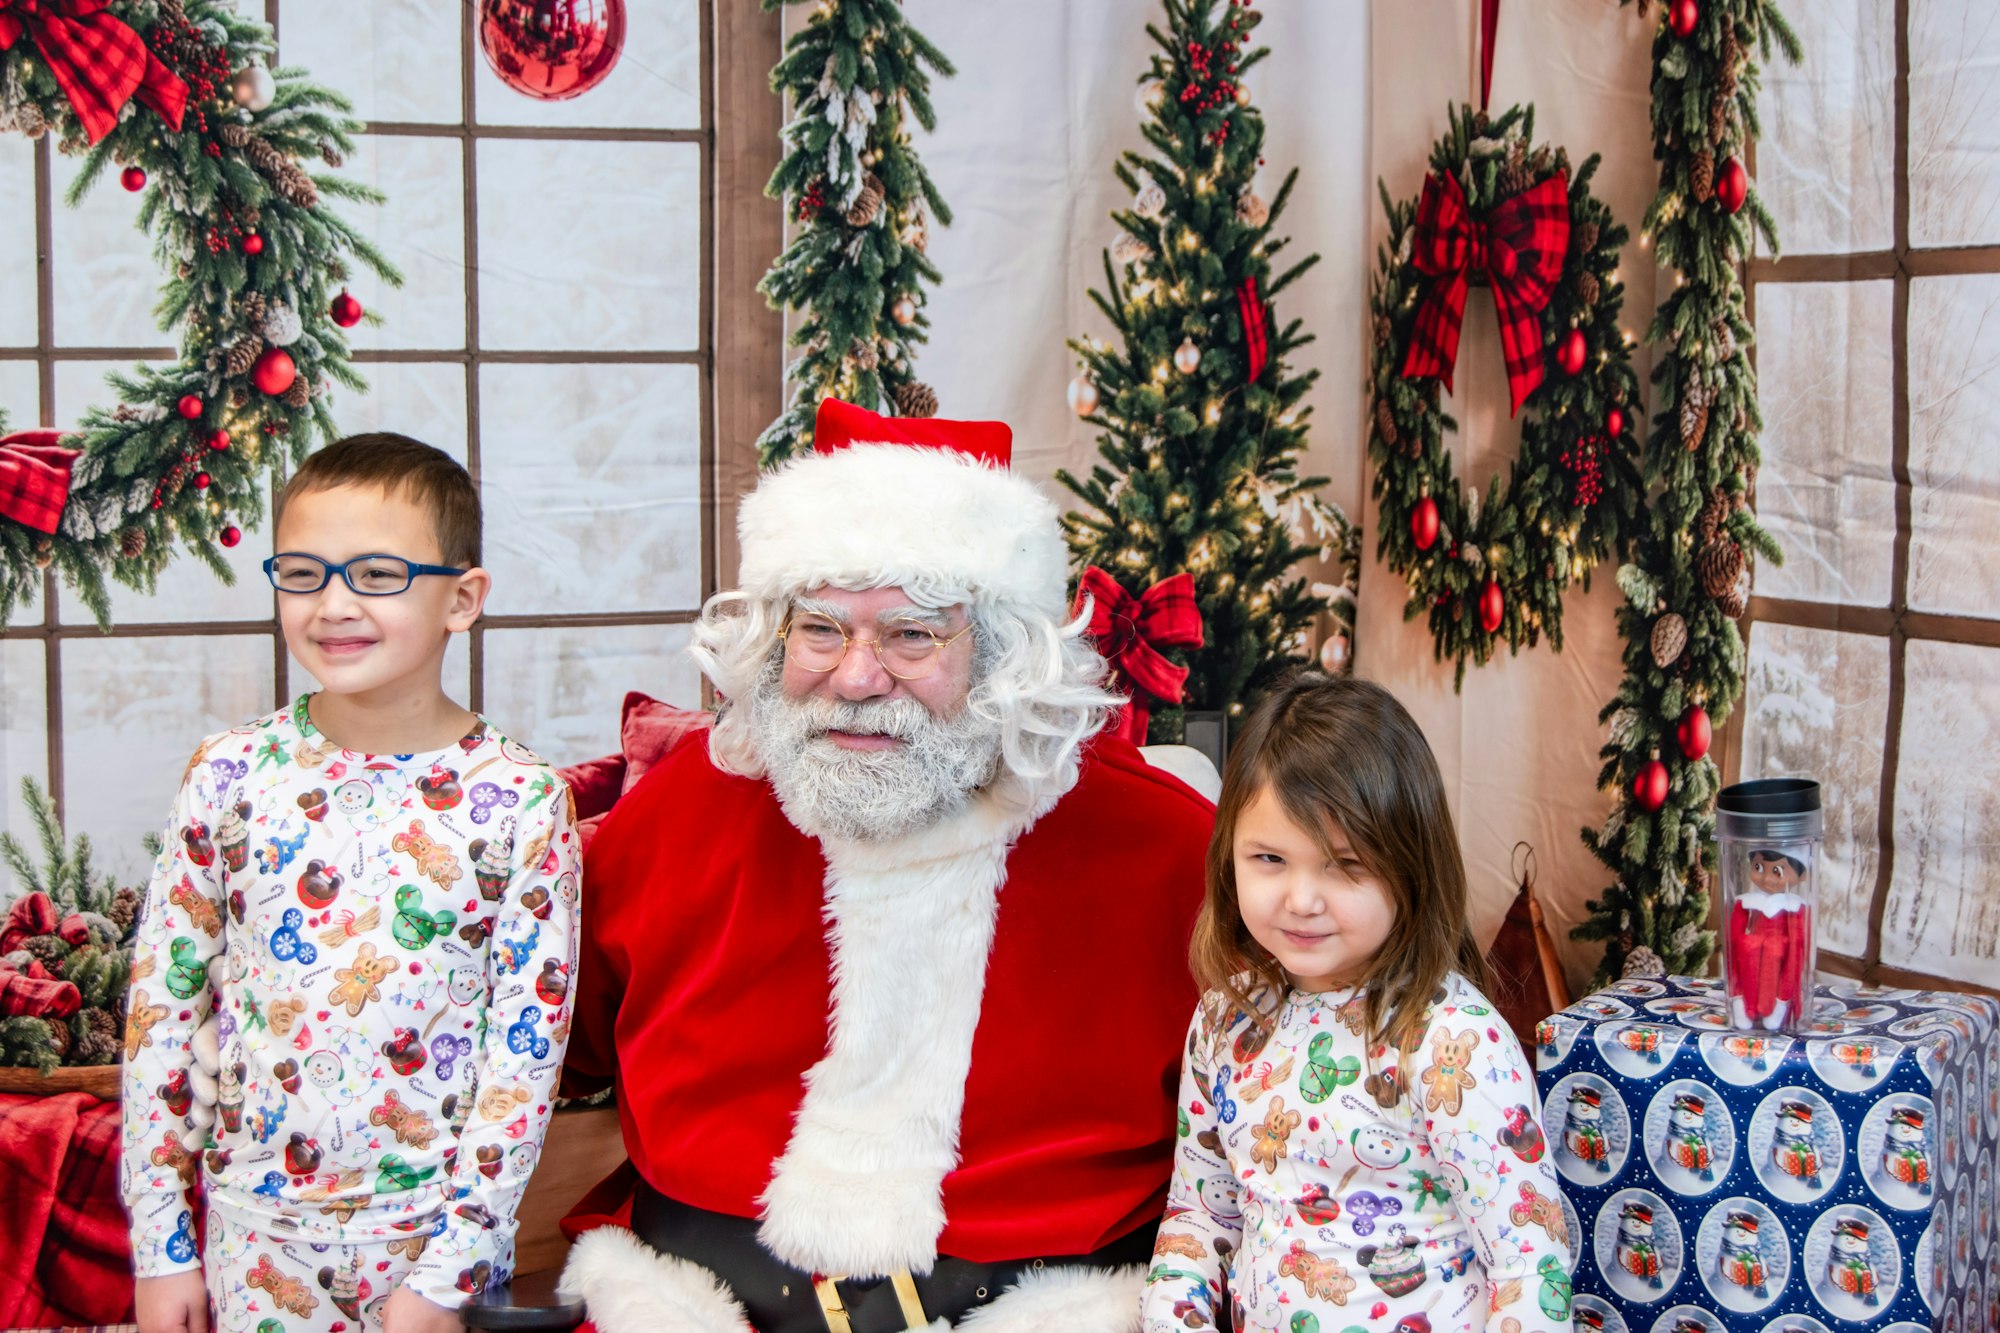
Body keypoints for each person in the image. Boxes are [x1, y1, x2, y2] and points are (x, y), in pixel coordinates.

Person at [556, 398, 1214, 1332]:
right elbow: (542, 1046)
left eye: (912, 635)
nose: (857, 677)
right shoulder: (679, 814)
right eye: (821, 629)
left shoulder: (1165, 849)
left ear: (1000, 651)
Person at [121, 433, 581, 1333]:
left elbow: (522, 1058)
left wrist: (447, 1274)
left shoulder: (523, 801)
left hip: (436, 1251)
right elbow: (162, 1016)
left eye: (376, 574)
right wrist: (162, 1245)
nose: (333, 605)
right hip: (255, 1241)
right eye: (303, 573)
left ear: (463, 598)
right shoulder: (228, 776)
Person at [1139, 673, 1572, 1333]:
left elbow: (1528, 1267)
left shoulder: (1456, 1044)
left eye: (1343, 864)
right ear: (1229, 855)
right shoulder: (1227, 1020)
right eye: (1270, 857)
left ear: (1409, 865)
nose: (1302, 898)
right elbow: (1202, 1214)